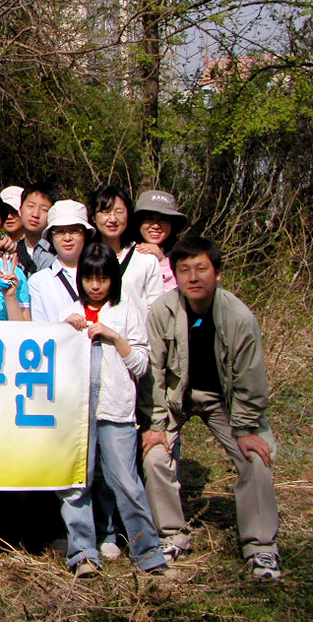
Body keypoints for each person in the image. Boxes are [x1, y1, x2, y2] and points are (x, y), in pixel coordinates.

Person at [140, 237, 281, 581]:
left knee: (256, 457)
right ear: (175, 275)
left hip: (225, 401)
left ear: (217, 273)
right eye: (184, 270)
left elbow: (250, 379)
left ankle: (260, 546)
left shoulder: (238, 316)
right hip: (175, 397)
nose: (193, 277)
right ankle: (171, 534)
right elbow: (154, 372)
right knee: (154, 456)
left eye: (201, 269)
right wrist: (156, 425)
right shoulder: (163, 310)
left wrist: (245, 429)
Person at [56, 243, 167, 578]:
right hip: (75, 413)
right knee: (76, 482)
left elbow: (142, 365)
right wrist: (64, 330)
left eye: (103, 278)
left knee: (127, 482)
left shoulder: (127, 311)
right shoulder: (69, 312)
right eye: (89, 278)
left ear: (113, 280)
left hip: (116, 409)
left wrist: (114, 336)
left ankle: (148, 553)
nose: (95, 286)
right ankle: (83, 553)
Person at [88, 184, 163, 314]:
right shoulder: (86, 256)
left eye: (119, 211)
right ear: (94, 217)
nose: (112, 219)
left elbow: (156, 307)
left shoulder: (145, 258)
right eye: (105, 212)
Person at [28, 200, 93, 324]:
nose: (67, 238)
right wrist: (63, 325)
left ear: (85, 234)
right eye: (60, 232)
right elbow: (39, 328)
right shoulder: (39, 281)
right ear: (51, 237)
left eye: (74, 231)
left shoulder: (102, 274)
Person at [133, 190, 187, 293]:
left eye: (163, 220)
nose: (156, 226)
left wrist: (162, 261)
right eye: (149, 219)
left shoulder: (182, 255)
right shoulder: (125, 251)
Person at [14, 182, 58, 276]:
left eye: (44, 209)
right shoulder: (9, 250)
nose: (35, 214)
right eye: (30, 206)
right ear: (20, 210)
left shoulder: (58, 253)